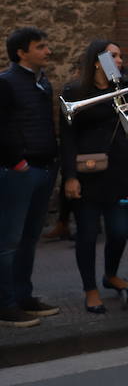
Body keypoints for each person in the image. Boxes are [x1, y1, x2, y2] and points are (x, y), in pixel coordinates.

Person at [59, 40, 128, 313]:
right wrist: (70, 177)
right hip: (88, 174)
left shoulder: (124, 87)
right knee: (88, 234)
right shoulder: (76, 90)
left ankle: (111, 274)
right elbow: (67, 139)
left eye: (120, 55)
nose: (119, 60)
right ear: (96, 60)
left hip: (119, 174)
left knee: (119, 232)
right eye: (112, 55)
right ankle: (90, 288)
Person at [0, 27, 60, 328]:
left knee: (28, 240)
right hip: (20, 172)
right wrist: (17, 162)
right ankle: (5, 305)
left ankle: (24, 298)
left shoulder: (41, 83)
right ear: (21, 53)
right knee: (9, 241)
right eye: (40, 47)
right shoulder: (6, 83)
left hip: (44, 168)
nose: (47, 51)